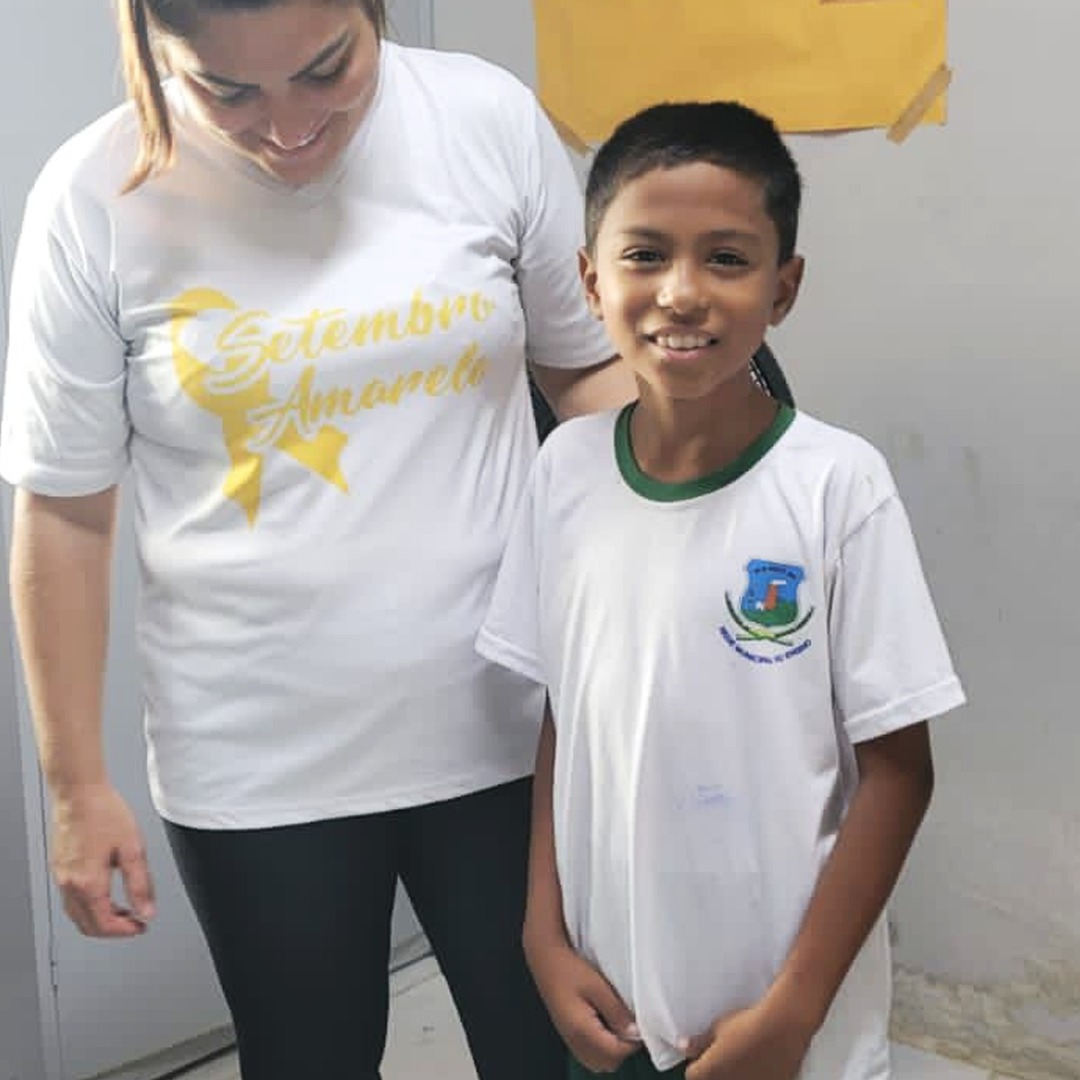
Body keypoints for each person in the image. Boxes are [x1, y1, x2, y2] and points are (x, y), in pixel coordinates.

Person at [0, 2, 636, 1077]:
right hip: (256, 761)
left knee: (559, 1054)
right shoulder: (92, 197)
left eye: (327, 69)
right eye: (228, 91)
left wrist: (717, 496)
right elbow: (64, 509)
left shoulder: (482, 120)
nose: (289, 127)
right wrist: (75, 785)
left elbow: (580, 370)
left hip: (512, 724)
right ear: (152, 48)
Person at [477, 101, 967, 1080]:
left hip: (783, 1031)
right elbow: (565, 714)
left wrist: (793, 1013)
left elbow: (899, 773)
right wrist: (543, 934)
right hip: (614, 1008)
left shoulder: (836, 486)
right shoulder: (563, 469)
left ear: (784, 289)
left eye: (728, 259)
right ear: (590, 281)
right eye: (645, 255)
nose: (681, 294)